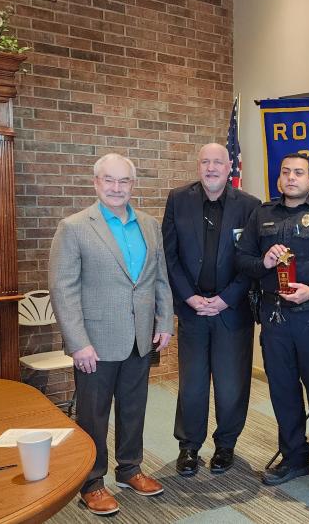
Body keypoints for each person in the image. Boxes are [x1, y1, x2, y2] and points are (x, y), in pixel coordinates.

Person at [49, 153, 174, 516]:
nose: (117, 188)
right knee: (93, 415)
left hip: (140, 337)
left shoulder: (150, 225)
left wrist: (165, 323)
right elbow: (63, 290)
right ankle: (91, 481)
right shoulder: (74, 227)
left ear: (133, 185)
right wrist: (78, 343)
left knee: (134, 409)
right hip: (95, 343)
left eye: (124, 181)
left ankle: (130, 469)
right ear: (96, 182)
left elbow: (159, 280)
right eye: (109, 180)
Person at [235, 152, 309, 499]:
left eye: (299, 173)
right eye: (286, 172)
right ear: (279, 179)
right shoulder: (262, 215)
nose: (291, 178)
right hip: (275, 319)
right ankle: (294, 458)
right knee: (283, 392)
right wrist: (264, 261)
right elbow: (242, 261)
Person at [163, 143, 261, 477]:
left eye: (217, 162)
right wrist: (189, 297)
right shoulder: (178, 200)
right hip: (193, 310)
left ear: (230, 166)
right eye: (205, 161)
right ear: (198, 166)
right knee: (192, 383)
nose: (211, 167)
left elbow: (252, 263)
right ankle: (189, 447)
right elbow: (170, 255)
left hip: (231, 310)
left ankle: (226, 446)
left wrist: (226, 298)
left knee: (231, 383)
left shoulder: (249, 206)